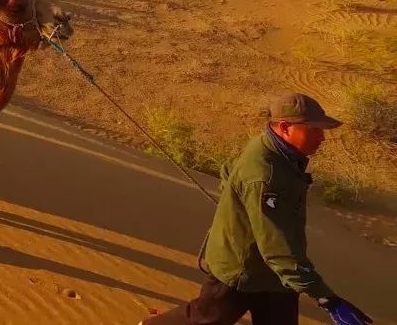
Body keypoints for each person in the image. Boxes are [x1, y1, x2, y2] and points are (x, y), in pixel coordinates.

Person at [142, 93, 371, 325]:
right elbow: (277, 248)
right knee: (204, 320)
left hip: (275, 276)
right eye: (314, 130)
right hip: (241, 271)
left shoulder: (270, 146)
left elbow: (228, 171)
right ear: (285, 127)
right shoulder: (265, 175)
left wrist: (241, 205)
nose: (322, 137)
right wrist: (327, 299)